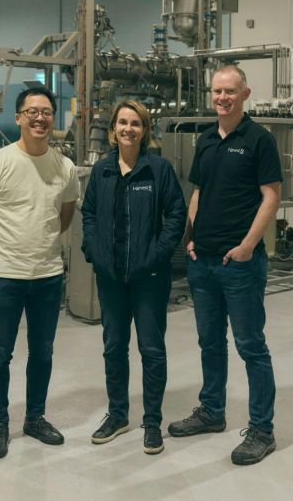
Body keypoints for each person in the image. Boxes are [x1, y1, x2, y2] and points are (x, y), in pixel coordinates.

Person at [167, 65, 282, 466]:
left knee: (251, 346)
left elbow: (271, 196)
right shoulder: (204, 140)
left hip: (240, 264)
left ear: (245, 94)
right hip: (204, 262)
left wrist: (249, 246)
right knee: (210, 343)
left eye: (230, 91)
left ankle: (262, 430)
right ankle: (212, 412)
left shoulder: (259, 140)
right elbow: (199, 190)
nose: (223, 98)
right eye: (217, 91)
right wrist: (192, 238)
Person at [0, 86, 80, 460]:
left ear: (53, 119)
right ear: (18, 118)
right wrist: (1, 250)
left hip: (48, 275)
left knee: (43, 352)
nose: (40, 118)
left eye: (46, 112)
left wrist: (38, 245)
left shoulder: (64, 167)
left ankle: (35, 417)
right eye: (32, 111)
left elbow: (64, 217)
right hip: (4, 276)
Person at [81, 100, 186, 455]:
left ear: (145, 131)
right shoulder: (102, 171)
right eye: (122, 122)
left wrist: (155, 256)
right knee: (113, 348)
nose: (128, 129)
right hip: (111, 277)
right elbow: (90, 215)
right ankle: (118, 414)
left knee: (151, 349)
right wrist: (95, 253)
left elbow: (176, 216)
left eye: (136, 123)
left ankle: (152, 421)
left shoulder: (158, 170)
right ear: (113, 129)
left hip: (150, 278)